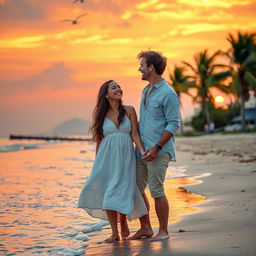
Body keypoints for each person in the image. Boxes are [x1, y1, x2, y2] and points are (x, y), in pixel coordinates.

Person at [77, 80, 148, 243]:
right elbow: (99, 141)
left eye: (119, 87)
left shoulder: (129, 110)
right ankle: (114, 232)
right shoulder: (101, 116)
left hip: (125, 157)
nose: (118, 89)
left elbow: (135, 134)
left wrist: (142, 151)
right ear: (106, 94)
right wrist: (97, 164)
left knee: (123, 189)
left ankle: (122, 221)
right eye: (114, 87)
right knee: (108, 191)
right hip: (106, 158)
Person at [130, 51, 180, 241]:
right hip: (142, 151)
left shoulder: (168, 93)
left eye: (142, 65)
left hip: (159, 151)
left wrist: (157, 147)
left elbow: (174, 124)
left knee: (157, 190)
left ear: (151, 68)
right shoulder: (146, 90)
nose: (139, 69)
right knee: (136, 187)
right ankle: (146, 227)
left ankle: (164, 231)